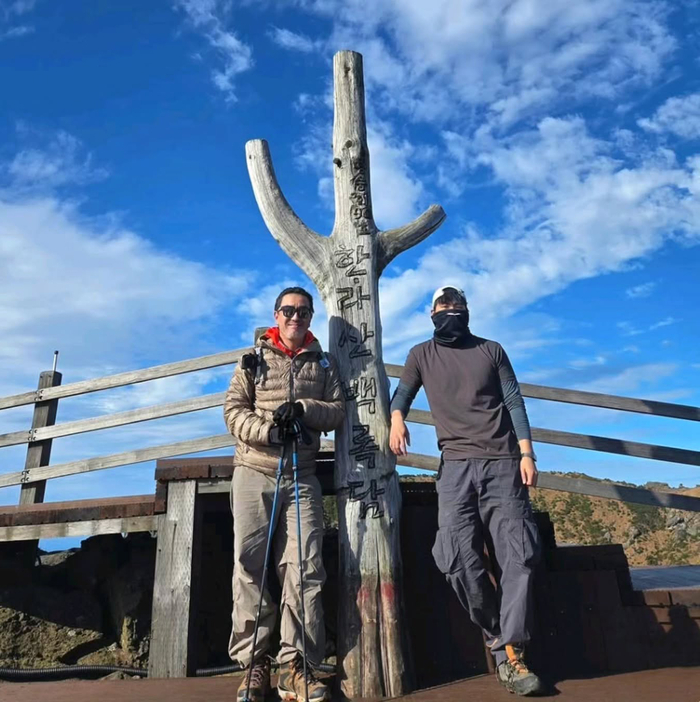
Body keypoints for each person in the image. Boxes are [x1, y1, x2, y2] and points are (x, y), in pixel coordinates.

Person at [389, 285, 545, 697]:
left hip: (504, 464)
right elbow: (402, 393)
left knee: (519, 557)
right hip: (455, 468)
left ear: (467, 310)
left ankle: (513, 654)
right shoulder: (421, 354)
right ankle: (499, 636)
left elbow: (514, 402)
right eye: (444, 305)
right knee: (457, 560)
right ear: (432, 313)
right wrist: (396, 418)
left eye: (457, 305)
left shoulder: (491, 350)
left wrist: (527, 453)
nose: (451, 310)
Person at [224, 286, 344, 702]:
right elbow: (233, 411)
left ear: (310, 318)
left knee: (306, 566)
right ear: (276, 315)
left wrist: (306, 410)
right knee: (249, 564)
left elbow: (338, 410)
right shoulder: (253, 359)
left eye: (303, 311)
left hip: (301, 474)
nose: (296, 317)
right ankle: (253, 663)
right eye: (289, 310)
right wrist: (269, 431)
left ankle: (298, 665)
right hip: (254, 470)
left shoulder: (324, 362)